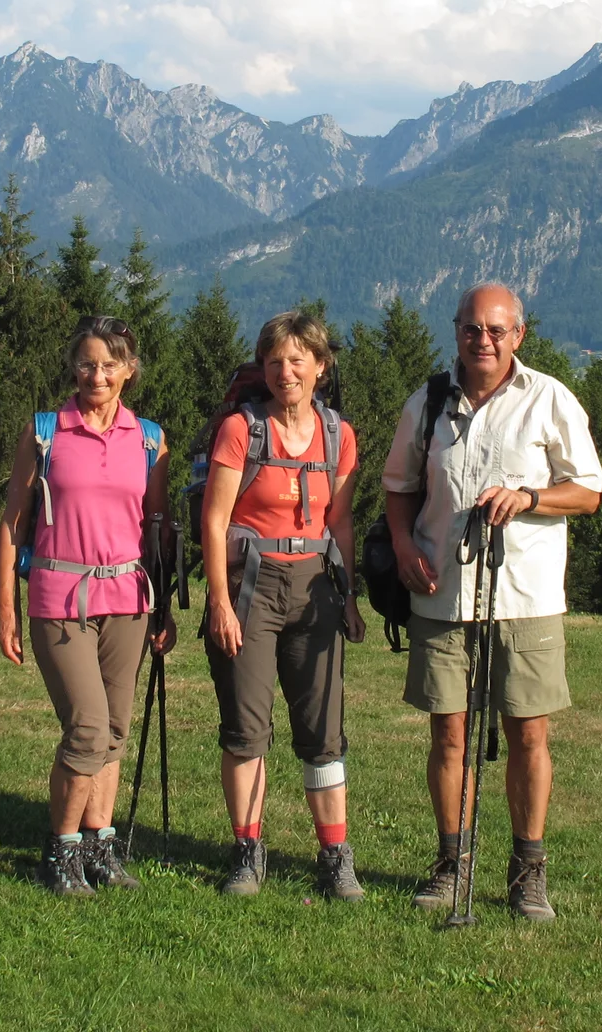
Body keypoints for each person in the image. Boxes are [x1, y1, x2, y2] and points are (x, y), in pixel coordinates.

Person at [382, 282, 602, 921]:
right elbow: (397, 487)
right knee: (447, 732)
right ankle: (452, 864)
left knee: (529, 733)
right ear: (456, 331)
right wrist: (401, 547)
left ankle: (527, 871)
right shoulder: (426, 403)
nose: (484, 340)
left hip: (526, 597)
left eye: (497, 330)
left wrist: (530, 497)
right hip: (442, 594)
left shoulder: (549, 398)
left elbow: (587, 491)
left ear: (519, 335)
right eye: (472, 329)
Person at [0, 315, 175, 896]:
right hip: (59, 595)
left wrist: (164, 605)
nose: (98, 374)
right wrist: (5, 607)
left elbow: (157, 527)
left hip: (129, 597)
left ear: (130, 370)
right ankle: (62, 851)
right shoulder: (46, 432)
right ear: (73, 367)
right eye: (87, 363)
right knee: (89, 727)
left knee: (114, 730)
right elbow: (12, 524)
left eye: (110, 364)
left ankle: (99, 844)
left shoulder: (149, 439)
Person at [200, 309, 366, 900]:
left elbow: (340, 522)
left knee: (323, 731)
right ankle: (247, 850)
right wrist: (218, 602)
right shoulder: (242, 431)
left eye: (298, 359)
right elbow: (215, 521)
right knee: (247, 728)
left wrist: (349, 597)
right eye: (274, 360)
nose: (285, 370)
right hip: (251, 586)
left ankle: (334, 855)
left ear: (320, 366)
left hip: (317, 587)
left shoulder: (338, 436)